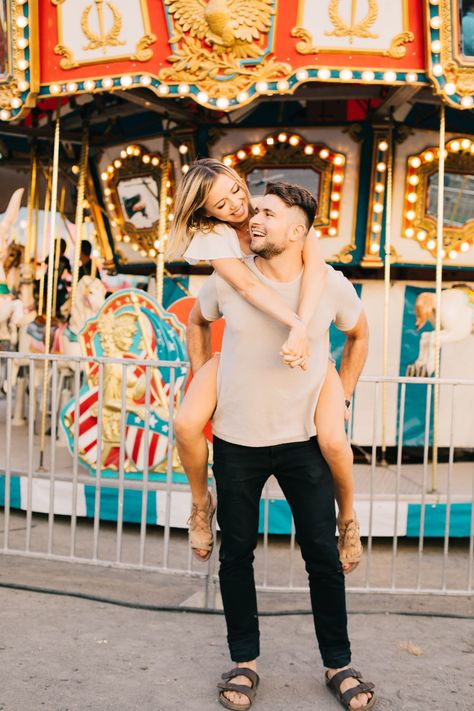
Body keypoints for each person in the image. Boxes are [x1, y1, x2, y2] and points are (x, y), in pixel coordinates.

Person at [187, 181, 374, 710]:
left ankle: (338, 663)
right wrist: (205, 376)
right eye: (255, 210)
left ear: (298, 230)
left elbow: (360, 334)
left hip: (303, 440)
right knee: (237, 553)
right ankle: (243, 663)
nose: (254, 220)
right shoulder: (228, 279)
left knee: (320, 554)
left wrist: (344, 397)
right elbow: (197, 321)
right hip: (237, 439)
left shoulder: (331, 285)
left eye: (268, 213)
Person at [166, 159, 362, 572]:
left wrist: (302, 328)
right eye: (222, 203)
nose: (238, 206)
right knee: (185, 424)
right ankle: (201, 503)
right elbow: (247, 286)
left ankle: (347, 518)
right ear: (206, 213)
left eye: (236, 190)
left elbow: (316, 272)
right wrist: (202, 369)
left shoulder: (272, 208)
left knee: (332, 441)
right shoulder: (214, 238)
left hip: (304, 345)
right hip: (241, 351)